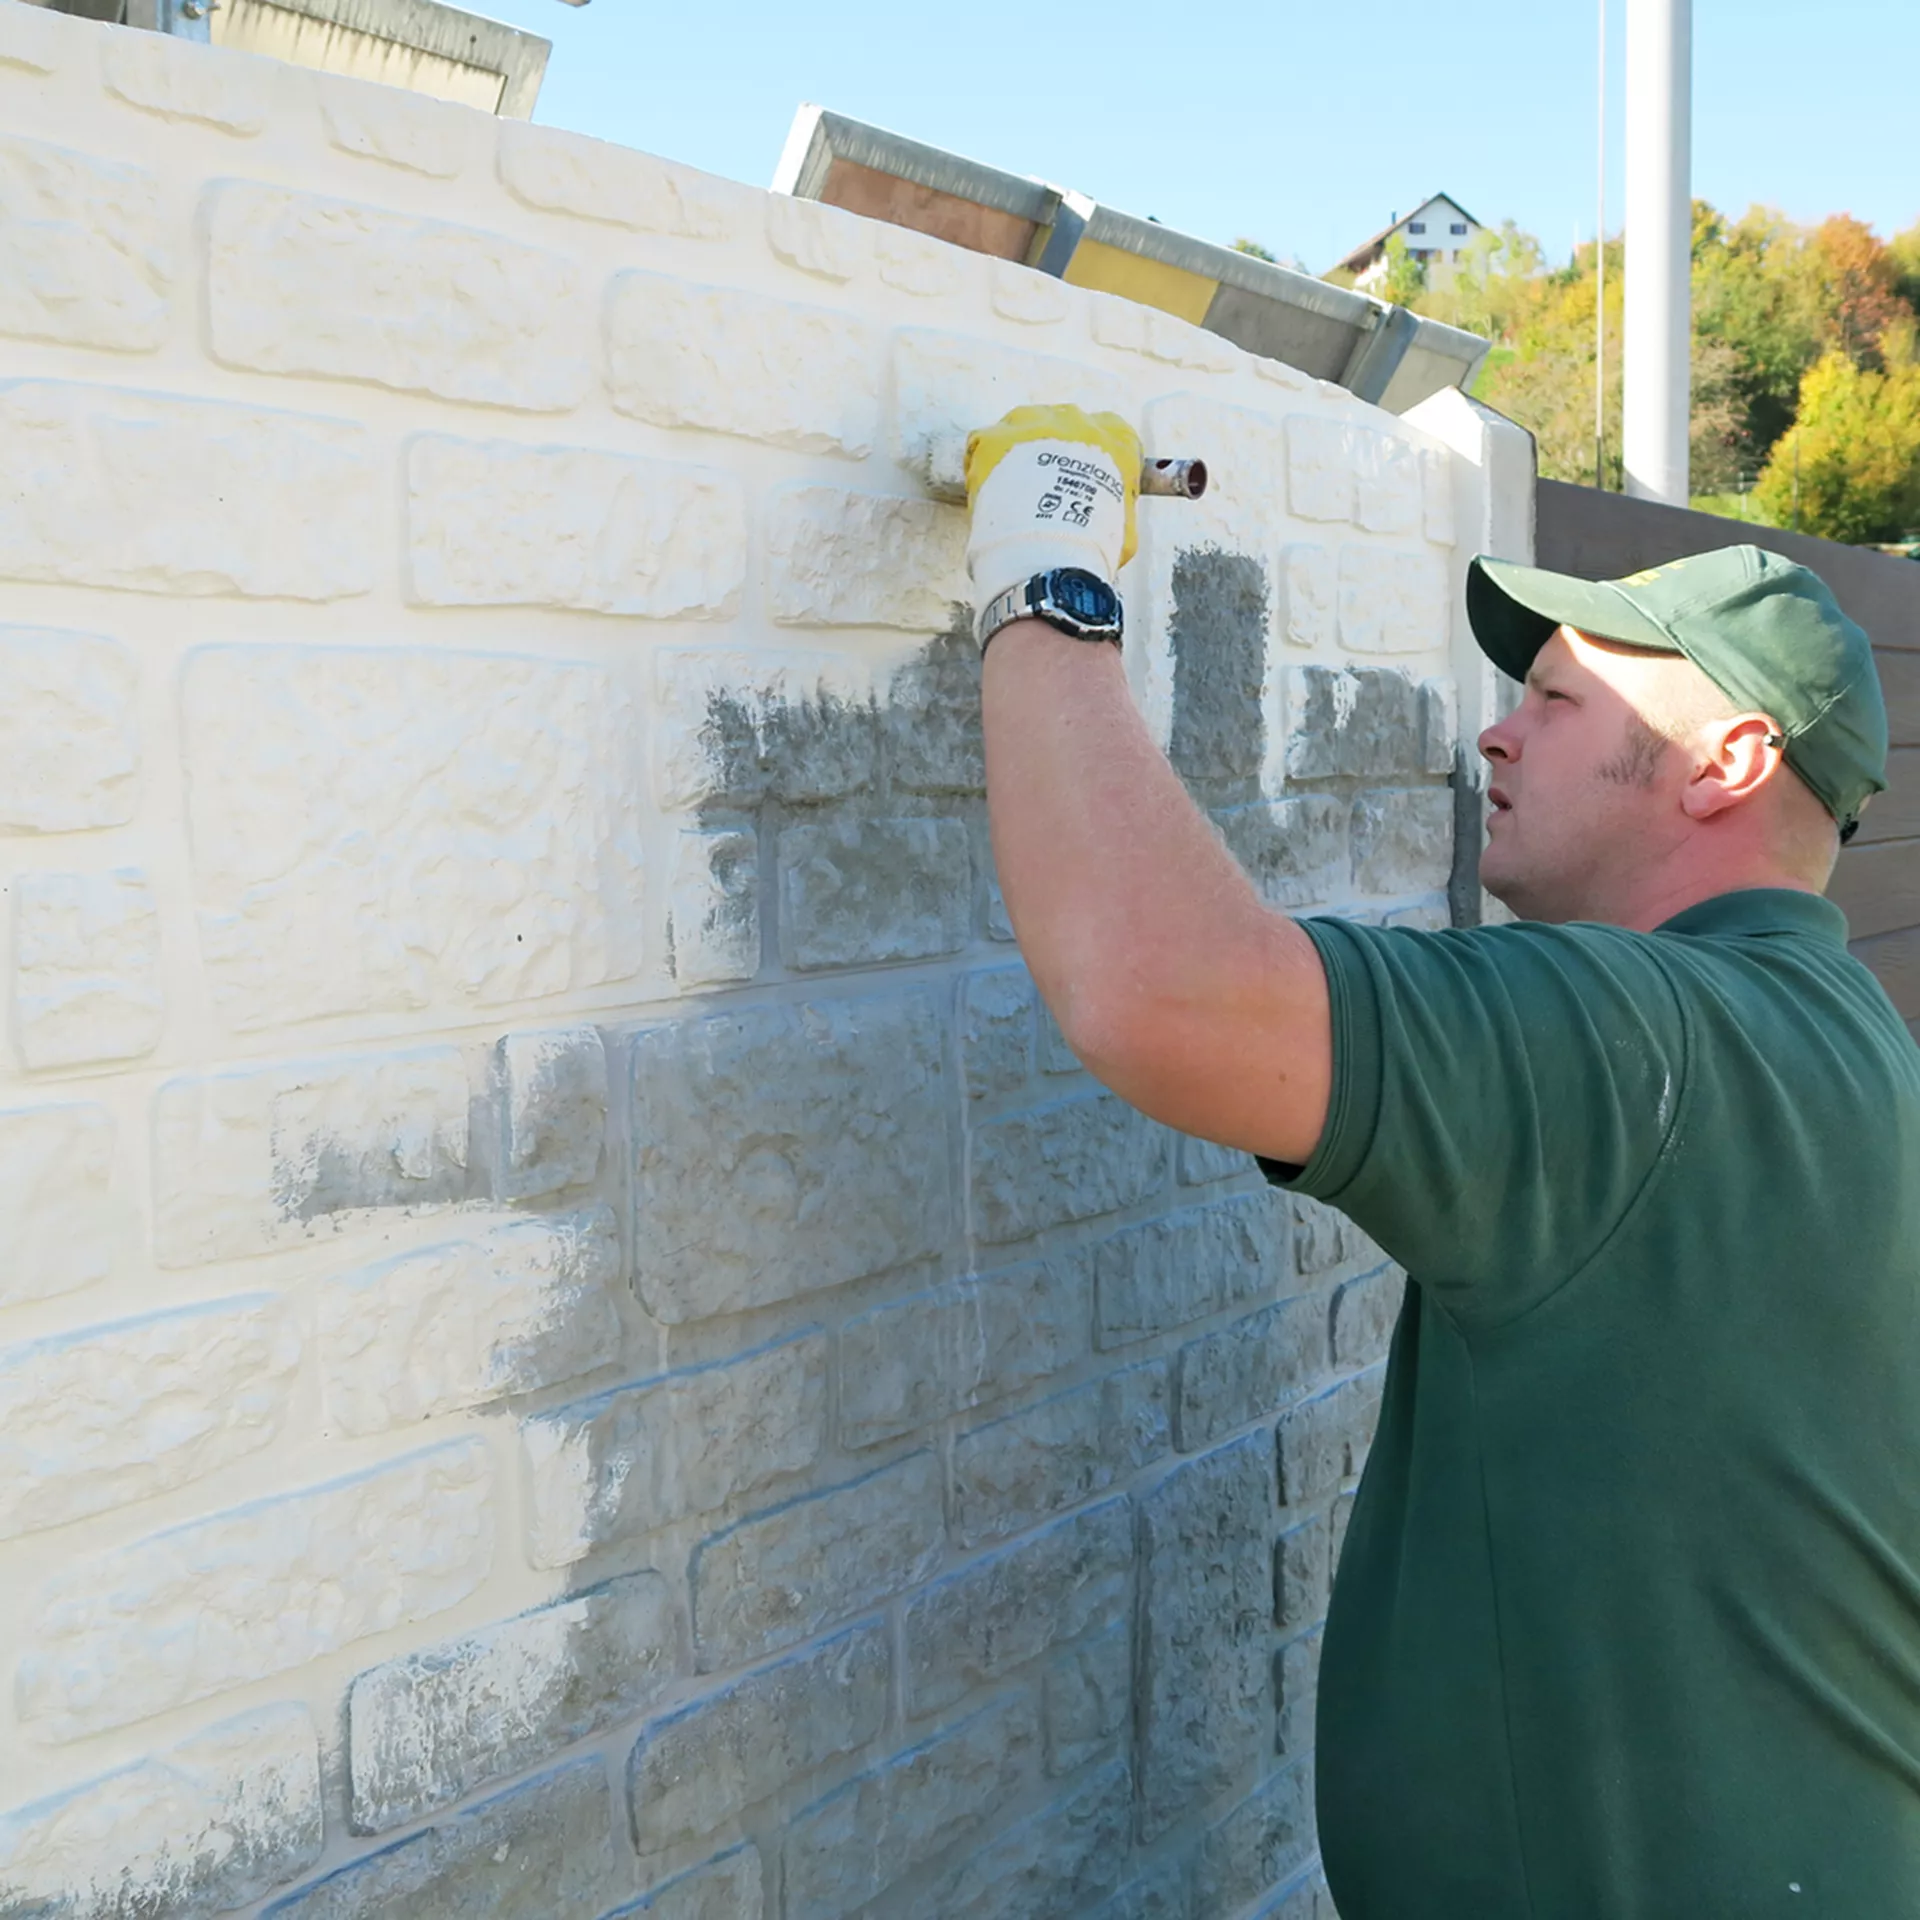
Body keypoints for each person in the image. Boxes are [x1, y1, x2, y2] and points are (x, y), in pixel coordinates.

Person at [965, 404, 1919, 1917]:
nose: (1496, 728)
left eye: (1555, 697)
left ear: (1726, 758)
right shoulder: (1852, 1045)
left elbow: (1155, 984)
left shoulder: (1654, 1048)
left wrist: (1046, 569)